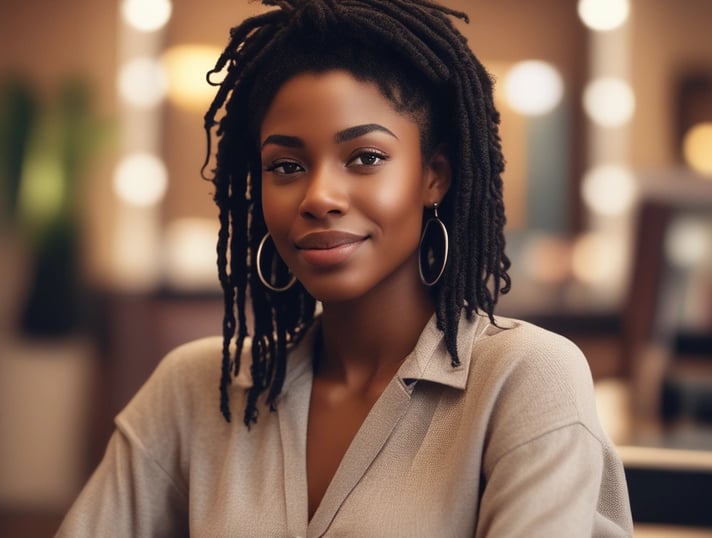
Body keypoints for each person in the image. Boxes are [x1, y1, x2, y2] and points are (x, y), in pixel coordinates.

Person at [58, 0, 633, 535]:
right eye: (285, 165)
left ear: (433, 176)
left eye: (365, 158)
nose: (319, 196)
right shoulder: (193, 389)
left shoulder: (527, 378)